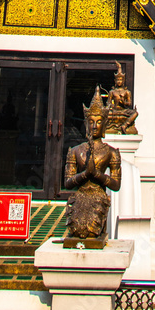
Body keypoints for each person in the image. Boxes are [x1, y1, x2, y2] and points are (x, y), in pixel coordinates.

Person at [64, 87, 121, 244]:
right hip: (80, 195)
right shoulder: (76, 151)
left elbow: (116, 185)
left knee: (91, 230)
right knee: (76, 229)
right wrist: (84, 174)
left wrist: (97, 174)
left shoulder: (111, 152)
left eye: (99, 122)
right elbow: (67, 183)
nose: (94, 126)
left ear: (104, 125)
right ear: (86, 124)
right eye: (91, 122)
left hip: (98, 196)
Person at [106, 62, 139, 135]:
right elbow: (108, 102)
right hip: (114, 111)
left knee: (135, 113)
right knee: (104, 113)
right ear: (115, 81)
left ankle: (125, 125)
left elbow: (129, 103)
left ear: (123, 81)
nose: (119, 82)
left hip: (123, 110)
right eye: (117, 80)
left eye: (120, 80)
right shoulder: (112, 92)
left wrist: (124, 102)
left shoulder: (126, 92)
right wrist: (110, 105)